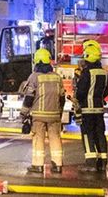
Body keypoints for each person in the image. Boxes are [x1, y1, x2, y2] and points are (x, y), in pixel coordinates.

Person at [20, 47, 64, 175]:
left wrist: (23, 114)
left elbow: (29, 98)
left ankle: (38, 165)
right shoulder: (57, 77)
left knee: (38, 139)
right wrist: (59, 113)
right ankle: (57, 165)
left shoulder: (34, 77)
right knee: (55, 138)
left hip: (38, 115)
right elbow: (62, 98)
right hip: (54, 115)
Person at [73, 39, 108, 173]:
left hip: (87, 110)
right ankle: (102, 162)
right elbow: (106, 90)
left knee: (87, 134)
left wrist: (77, 97)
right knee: (100, 134)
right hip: (99, 110)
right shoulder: (104, 72)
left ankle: (90, 163)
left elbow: (81, 91)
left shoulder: (87, 72)